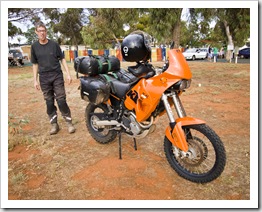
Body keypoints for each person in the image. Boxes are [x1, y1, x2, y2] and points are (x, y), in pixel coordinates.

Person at [31, 21, 76, 135]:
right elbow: (35, 64)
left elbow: (62, 59)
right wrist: (35, 80)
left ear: (46, 32)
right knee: (49, 102)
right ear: (36, 32)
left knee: (61, 100)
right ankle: (54, 124)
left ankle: (69, 123)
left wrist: (68, 74)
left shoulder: (54, 44)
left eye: (44, 31)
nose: (42, 33)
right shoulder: (34, 47)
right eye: (40, 31)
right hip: (44, 78)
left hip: (56, 75)